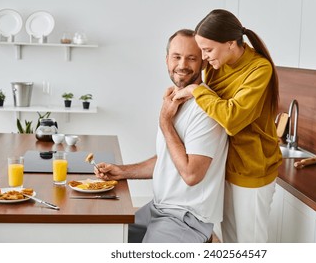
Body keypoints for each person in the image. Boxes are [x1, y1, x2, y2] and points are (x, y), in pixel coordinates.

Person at [94, 29, 228, 243]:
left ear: (203, 62)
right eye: (176, 57)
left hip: (186, 218)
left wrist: (165, 123)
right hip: (158, 208)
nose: (182, 64)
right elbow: (169, 159)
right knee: (104, 237)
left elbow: (191, 174)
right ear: (166, 60)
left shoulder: (205, 108)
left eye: (191, 58)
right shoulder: (175, 99)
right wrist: (122, 171)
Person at [173, 9, 283, 243]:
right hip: (224, 165)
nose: (203, 57)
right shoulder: (215, 65)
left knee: (250, 245)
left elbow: (232, 118)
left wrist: (196, 90)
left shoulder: (259, 69)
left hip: (251, 168)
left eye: (207, 50)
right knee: (229, 243)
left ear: (231, 44)